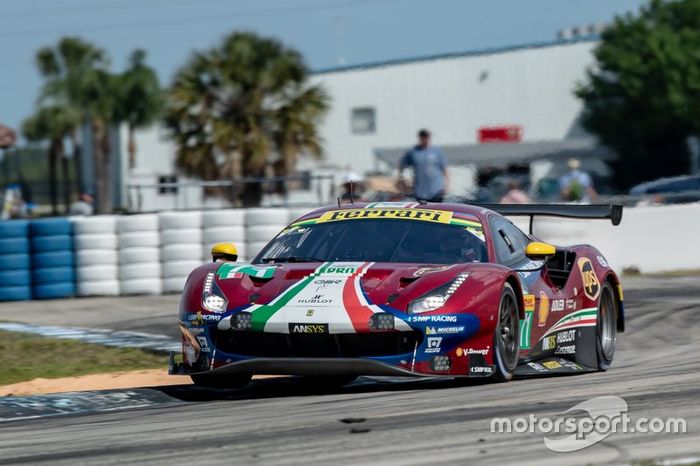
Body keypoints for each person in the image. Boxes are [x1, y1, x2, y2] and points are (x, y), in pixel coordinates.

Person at [398, 129, 449, 202]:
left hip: (436, 192)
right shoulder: (413, 152)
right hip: (420, 193)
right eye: (423, 137)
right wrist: (403, 179)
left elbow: (445, 170)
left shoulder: (437, 152)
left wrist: (447, 185)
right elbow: (402, 165)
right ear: (420, 138)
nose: (425, 139)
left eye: (427, 137)